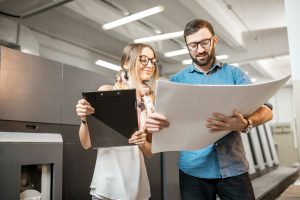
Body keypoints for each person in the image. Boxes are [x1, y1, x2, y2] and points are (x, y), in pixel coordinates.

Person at [145, 19, 273, 200]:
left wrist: (246, 123)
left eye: (204, 42)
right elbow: (165, 123)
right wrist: (155, 123)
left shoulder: (234, 74)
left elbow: (266, 109)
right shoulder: (176, 81)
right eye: (193, 45)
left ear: (214, 40)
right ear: (187, 46)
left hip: (233, 169)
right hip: (193, 172)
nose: (200, 50)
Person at [75, 43, 160, 200]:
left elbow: (149, 152)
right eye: (144, 60)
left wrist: (141, 141)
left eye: (153, 61)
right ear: (126, 63)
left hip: (136, 185)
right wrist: (84, 119)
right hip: (107, 184)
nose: (150, 65)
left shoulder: (150, 101)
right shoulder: (107, 92)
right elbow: (86, 143)